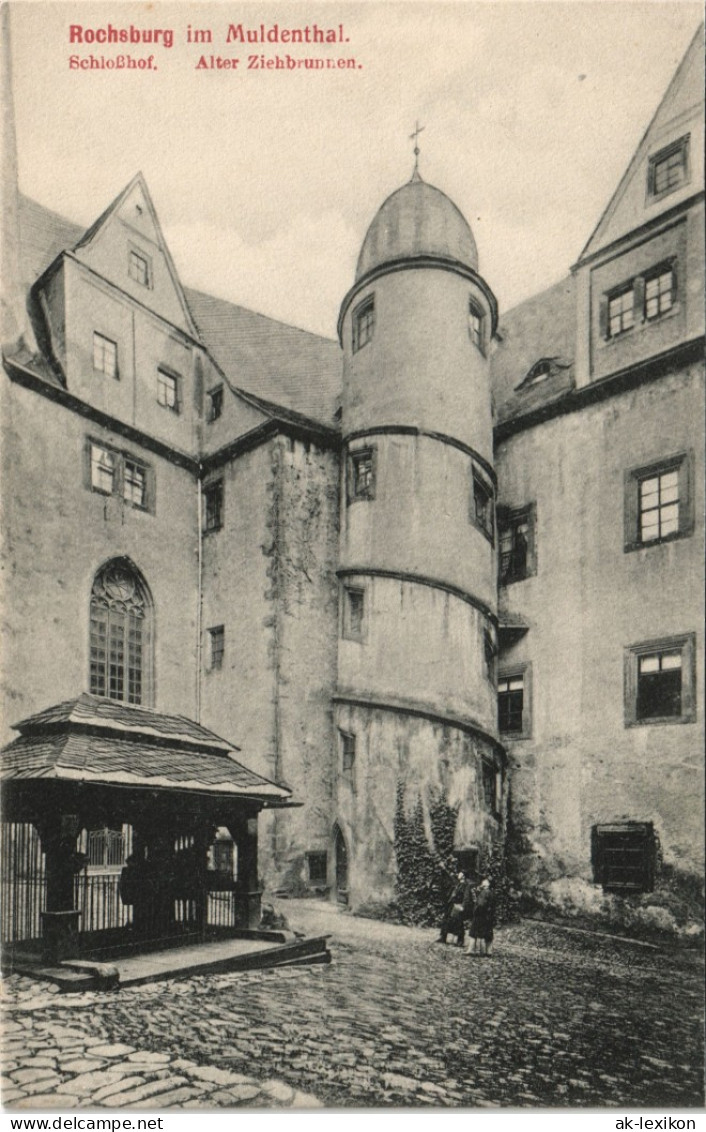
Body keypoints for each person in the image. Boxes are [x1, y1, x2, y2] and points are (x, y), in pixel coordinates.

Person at [436, 870, 474, 947]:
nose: (458, 874)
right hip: (452, 905)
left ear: (463, 876)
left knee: (458, 922)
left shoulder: (466, 885)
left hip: (458, 906)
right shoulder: (458, 883)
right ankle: (443, 937)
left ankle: (460, 940)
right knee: (446, 919)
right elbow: (450, 877)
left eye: (460, 873)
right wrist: (444, 869)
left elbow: (466, 897)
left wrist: (463, 906)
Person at [466, 877, 495, 956]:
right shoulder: (491, 892)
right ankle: (488, 951)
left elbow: (481, 904)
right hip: (488, 916)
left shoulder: (484, 892)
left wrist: (476, 910)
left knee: (473, 932)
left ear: (487, 884)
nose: (482, 882)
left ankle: (472, 950)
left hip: (480, 915)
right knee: (488, 933)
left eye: (484, 881)